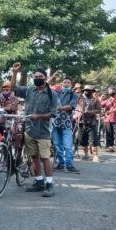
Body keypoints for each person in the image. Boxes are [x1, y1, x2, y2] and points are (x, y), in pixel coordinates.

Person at [10, 64, 59, 197]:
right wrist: (15, 73)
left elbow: (53, 113)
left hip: (43, 132)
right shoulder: (29, 90)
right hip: (29, 130)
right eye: (35, 77)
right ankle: (39, 181)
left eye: (40, 77)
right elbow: (13, 88)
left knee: (45, 158)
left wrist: (40, 116)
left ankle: (49, 184)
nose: (37, 79)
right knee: (34, 157)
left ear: (45, 78)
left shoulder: (52, 94)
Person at [52, 77, 80, 173]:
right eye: (64, 82)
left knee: (68, 145)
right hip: (55, 122)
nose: (66, 84)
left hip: (67, 124)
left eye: (68, 82)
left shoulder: (74, 94)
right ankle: (61, 164)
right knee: (57, 144)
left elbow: (71, 106)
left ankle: (70, 165)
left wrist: (59, 108)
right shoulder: (57, 93)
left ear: (71, 84)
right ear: (62, 83)